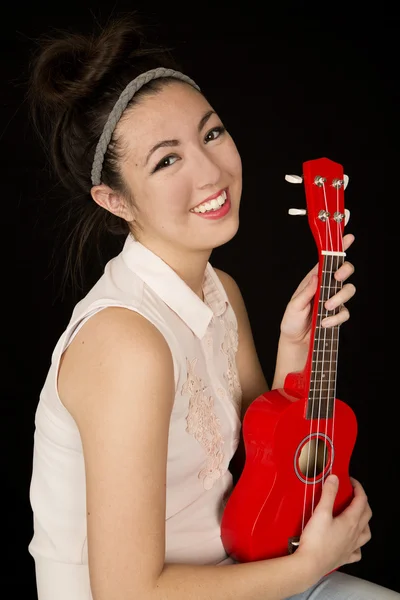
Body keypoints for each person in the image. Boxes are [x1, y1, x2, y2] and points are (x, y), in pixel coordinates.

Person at [27, 14, 398, 600]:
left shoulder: (218, 289)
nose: (211, 171)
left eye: (212, 133)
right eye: (167, 160)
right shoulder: (127, 343)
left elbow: (265, 450)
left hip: (238, 573)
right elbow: (125, 592)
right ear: (113, 199)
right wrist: (310, 565)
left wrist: (294, 343)